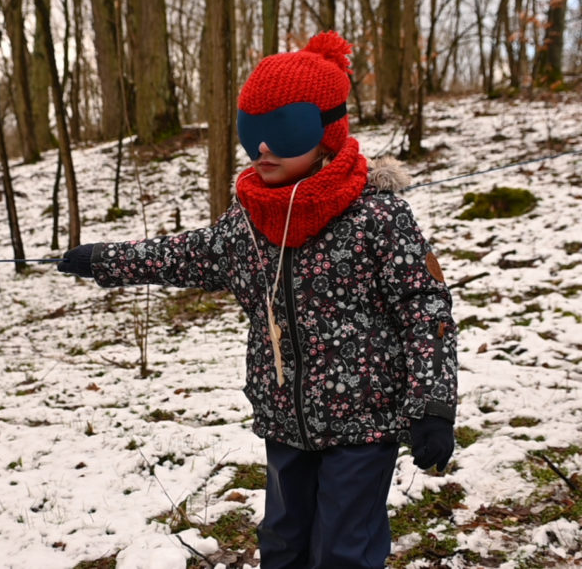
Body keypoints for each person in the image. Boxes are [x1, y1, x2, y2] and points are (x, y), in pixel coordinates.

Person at [58, 32, 458, 569]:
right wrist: (101, 260)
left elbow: (424, 308)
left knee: (344, 551)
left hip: (364, 423)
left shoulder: (377, 219)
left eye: (283, 130)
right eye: (253, 131)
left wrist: (431, 405)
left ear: (325, 133)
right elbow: (180, 255)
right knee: (283, 545)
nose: (264, 147)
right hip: (283, 422)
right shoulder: (248, 224)